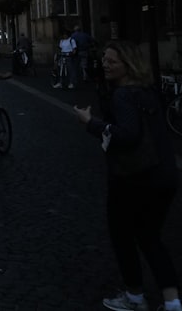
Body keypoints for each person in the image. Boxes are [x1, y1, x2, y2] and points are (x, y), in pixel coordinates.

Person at [73, 41, 180, 311]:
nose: (105, 65)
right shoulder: (148, 90)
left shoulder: (123, 95)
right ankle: (172, 301)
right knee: (150, 237)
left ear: (128, 65)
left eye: (112, 61)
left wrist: (90, 123)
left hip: (133, 178)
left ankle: (134, 296)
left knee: (122, 236)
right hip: (163, 174)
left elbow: (127, 135)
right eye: (105, 60)